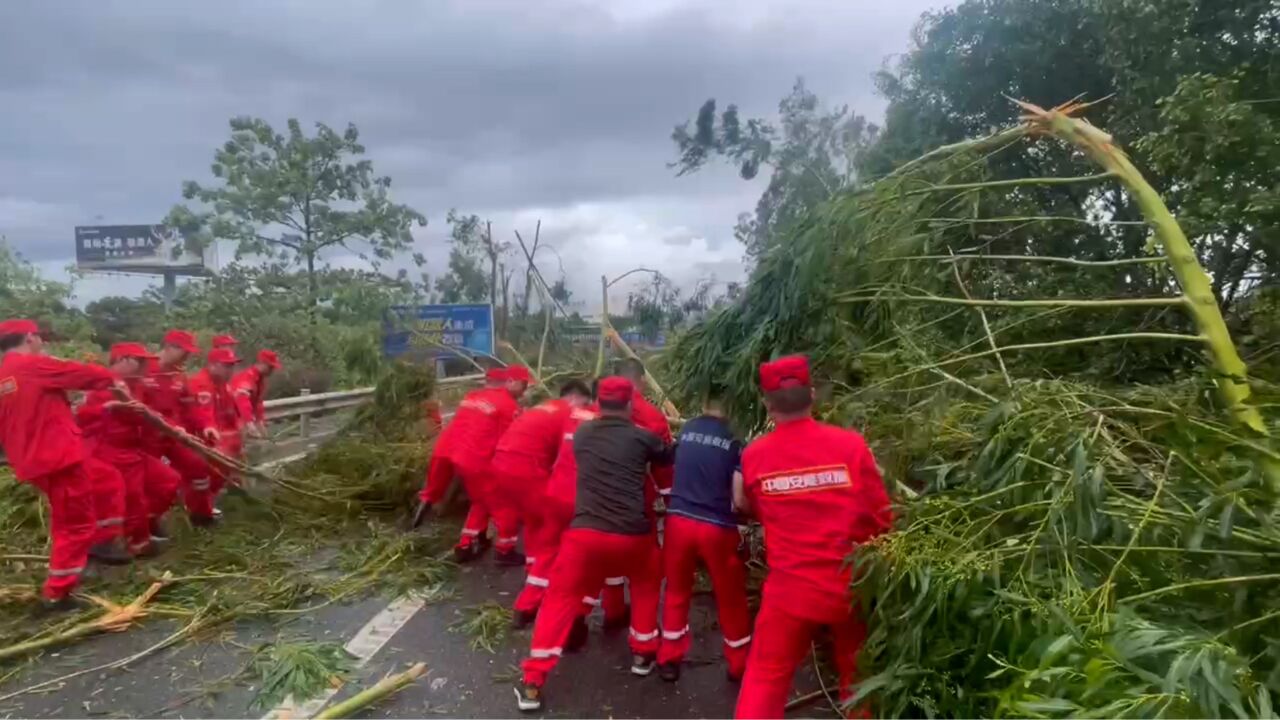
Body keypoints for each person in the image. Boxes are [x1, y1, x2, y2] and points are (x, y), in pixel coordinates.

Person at [733, 355, 893, 719]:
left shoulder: (755, 456)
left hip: (790, 593)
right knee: (857, 673)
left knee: (766, 677)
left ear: (767, 404)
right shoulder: (850, 446)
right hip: (849, 584)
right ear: (812, 396)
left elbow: (756, 508)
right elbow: (881, 517)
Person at [517, 376, 675, 713]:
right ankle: (643, 653)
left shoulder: (584, 434)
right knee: (647, 583)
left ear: (597, 404)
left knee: (560, 598)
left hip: (586, 534)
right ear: (632, 404)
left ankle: (533, 681)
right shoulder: (643, 437)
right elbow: (666, 458)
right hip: (633, 535)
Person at [0, 319, 133, 610]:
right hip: (56, 458)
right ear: (30, 337)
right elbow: (82, 373)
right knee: (75, 525)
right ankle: (57, 594)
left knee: (102, 481)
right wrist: (112, 379)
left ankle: (102, 545)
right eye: (39, 338)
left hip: (35, 458)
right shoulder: (31, 365)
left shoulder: (5, 373)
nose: (42, 343)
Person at [657, 391, 751, 682]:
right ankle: (738, 664)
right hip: (716, 525)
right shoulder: (736, 439)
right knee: (730, 597)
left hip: (679, 521)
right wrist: (750, 517)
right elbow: (739, 496)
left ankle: (669, 659)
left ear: (703, 401)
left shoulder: (687, 430)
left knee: (676, 591)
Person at [490, 379, 593, 610]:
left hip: (502, 462)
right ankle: (537, 585)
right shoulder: (568, 412)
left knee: (533, 519)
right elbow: (567, 454)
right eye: (584, 404)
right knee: (550, 523)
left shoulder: (545, 407)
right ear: (576, 398)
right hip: (526, 468)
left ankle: (532, 566)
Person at [77, 342, 181, 558]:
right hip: (111, 450)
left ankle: (143, 528)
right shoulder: (103, 385)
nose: (145, 367)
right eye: (140, 361)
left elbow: (149, 413)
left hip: (134, 449)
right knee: (134, 497)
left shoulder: (133, 385)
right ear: (123, 360)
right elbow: (83, 417)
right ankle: (137, 542)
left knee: (168, 481)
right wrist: (110, 409)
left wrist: (169, 426)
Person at [140, 329, 212, 530]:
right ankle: (147, 522)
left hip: (173, 436)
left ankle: (201, 514)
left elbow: (190, 408)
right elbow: (140, 407)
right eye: (185, 351)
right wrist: (171, 426)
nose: (188, 356)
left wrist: (205, 427)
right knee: (153, 480)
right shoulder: (144, 368)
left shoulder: (179, 375)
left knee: (198, 465)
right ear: (170, 347)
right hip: (147, 437)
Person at [183, 347, 242, 525]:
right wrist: (210, 428)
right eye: (227, 366)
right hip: (195, 438)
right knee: (203, 474)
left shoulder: (223, 385)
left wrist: (237, 435)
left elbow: (230, 412)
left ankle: (204, 506)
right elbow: (203, 412)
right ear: (213, 366)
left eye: (232, 366)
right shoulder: (201, 384)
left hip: (214, 438)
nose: (230, 370)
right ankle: (196, 511)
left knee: (221, 469)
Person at [615, 358, 675, 499]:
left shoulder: (595, 410)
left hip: (594, 497)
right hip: (635, 496)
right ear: (642, 379)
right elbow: (663, 468)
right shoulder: (653, 416)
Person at [230, 349, 280, 439]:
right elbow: (242, 401)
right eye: (271, 367)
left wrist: (260, 423)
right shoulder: (247, 377)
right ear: (262, 364)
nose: (272, 371)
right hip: (232, 419)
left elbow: (258, 404)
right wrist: (250, 424)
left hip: (240, 419)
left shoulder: (260, 380)